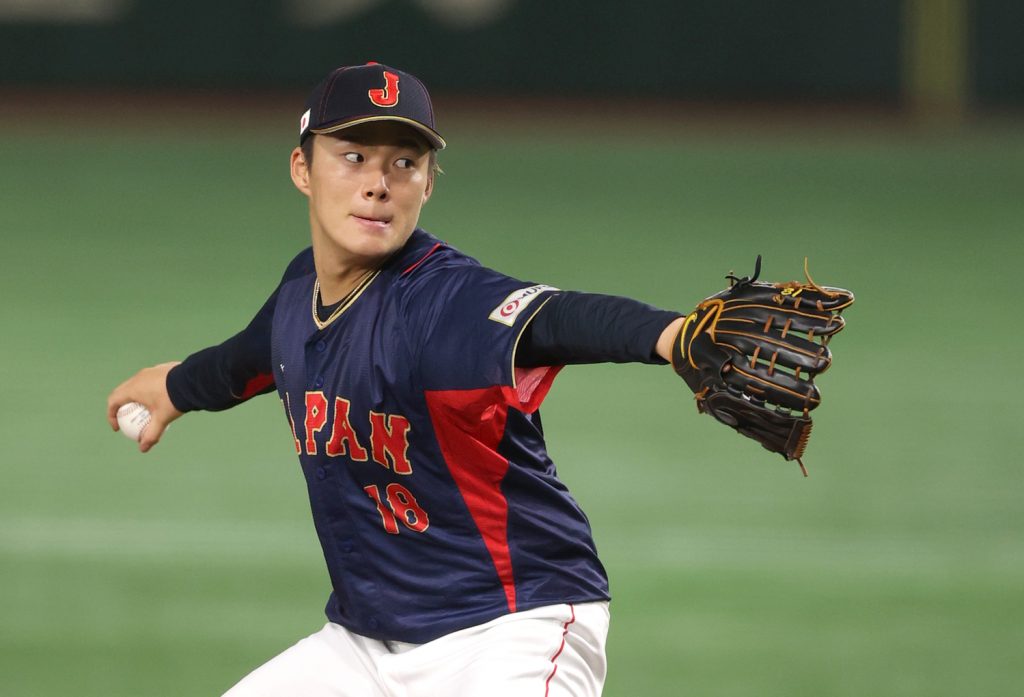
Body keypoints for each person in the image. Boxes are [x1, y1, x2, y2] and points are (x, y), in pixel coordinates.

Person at [107, 63, 686, 697]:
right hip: (363, 643)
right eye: (353, 156)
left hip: (510, 626)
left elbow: (560, 319)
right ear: (303, 169)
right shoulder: (303, 290)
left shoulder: (445, 302)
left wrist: (672, 335)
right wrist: (177, 389)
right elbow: (252, 358)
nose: (378, 185)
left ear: (429, 183)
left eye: (404, 163)